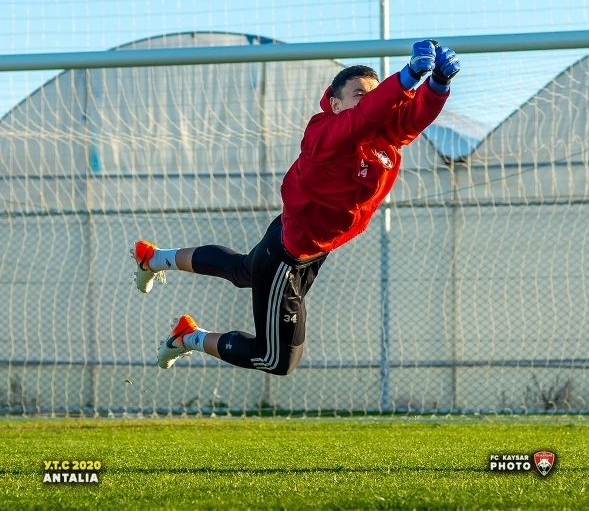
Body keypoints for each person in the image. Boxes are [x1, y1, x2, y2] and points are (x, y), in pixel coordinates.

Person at [131, 40, 460, 375]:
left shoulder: (381, 137)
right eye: (360, 93)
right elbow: (364, 116)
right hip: (290, 255)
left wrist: (437, 84)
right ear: (335, 104)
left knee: (243, 270)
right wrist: (407, 76)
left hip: (303, 238)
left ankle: (154, 258)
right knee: (276, 360)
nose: (371, 99)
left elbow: (410, 118)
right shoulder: (325, 132)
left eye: (375, 93)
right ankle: (189, 338)